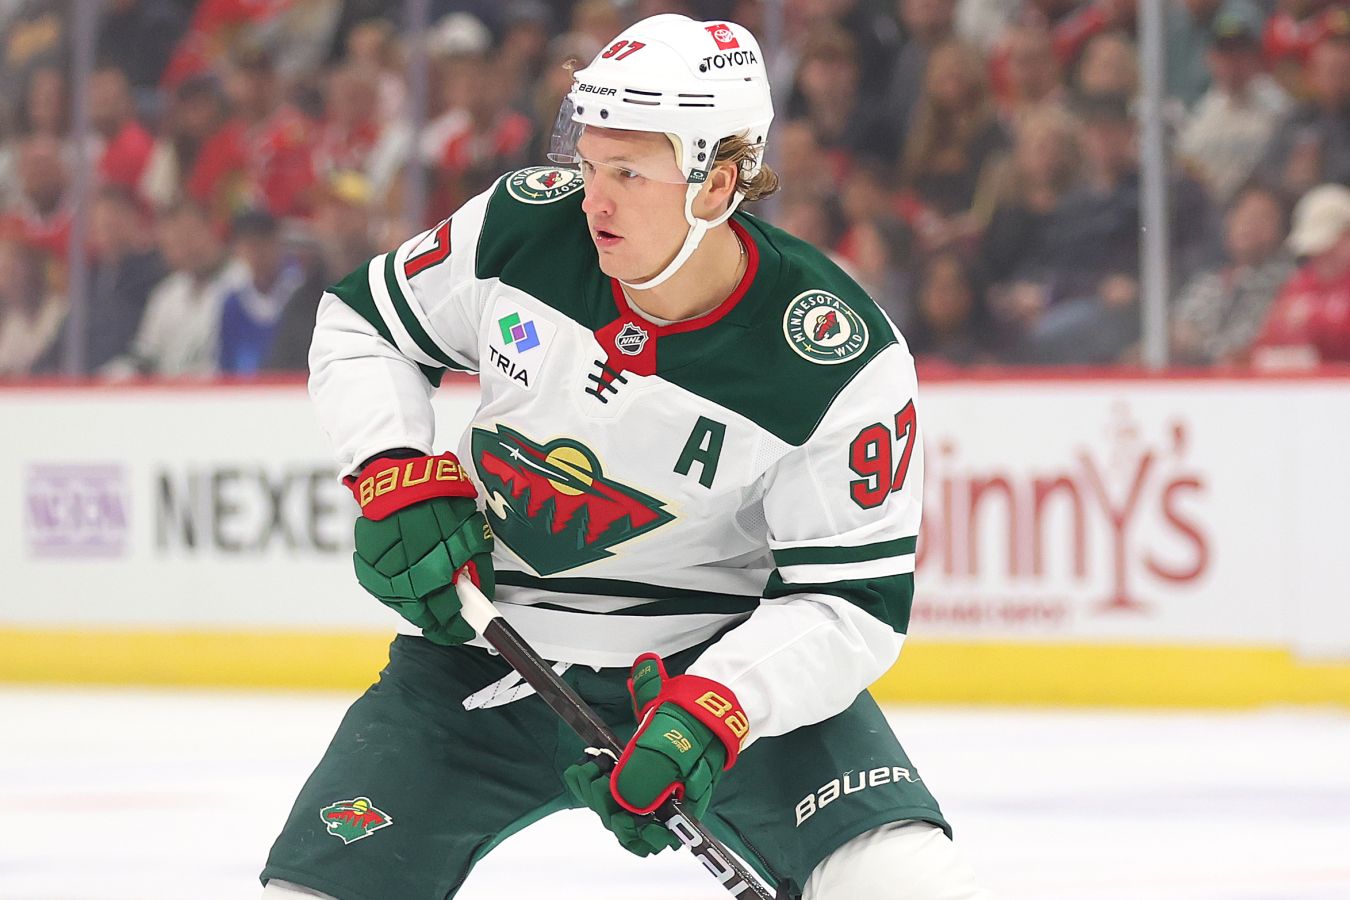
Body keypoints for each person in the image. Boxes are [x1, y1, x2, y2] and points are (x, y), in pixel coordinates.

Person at [260, 15, 989, 900]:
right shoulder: (522, 225)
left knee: (911, 883)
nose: (592, 201)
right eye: (590, 164)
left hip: (705, 665)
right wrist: (390, 469)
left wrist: (719, 707)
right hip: (478, 651)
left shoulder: (834, 356)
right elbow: (363, 325)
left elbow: (851, 603)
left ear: (717, 184)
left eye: (629, 174)